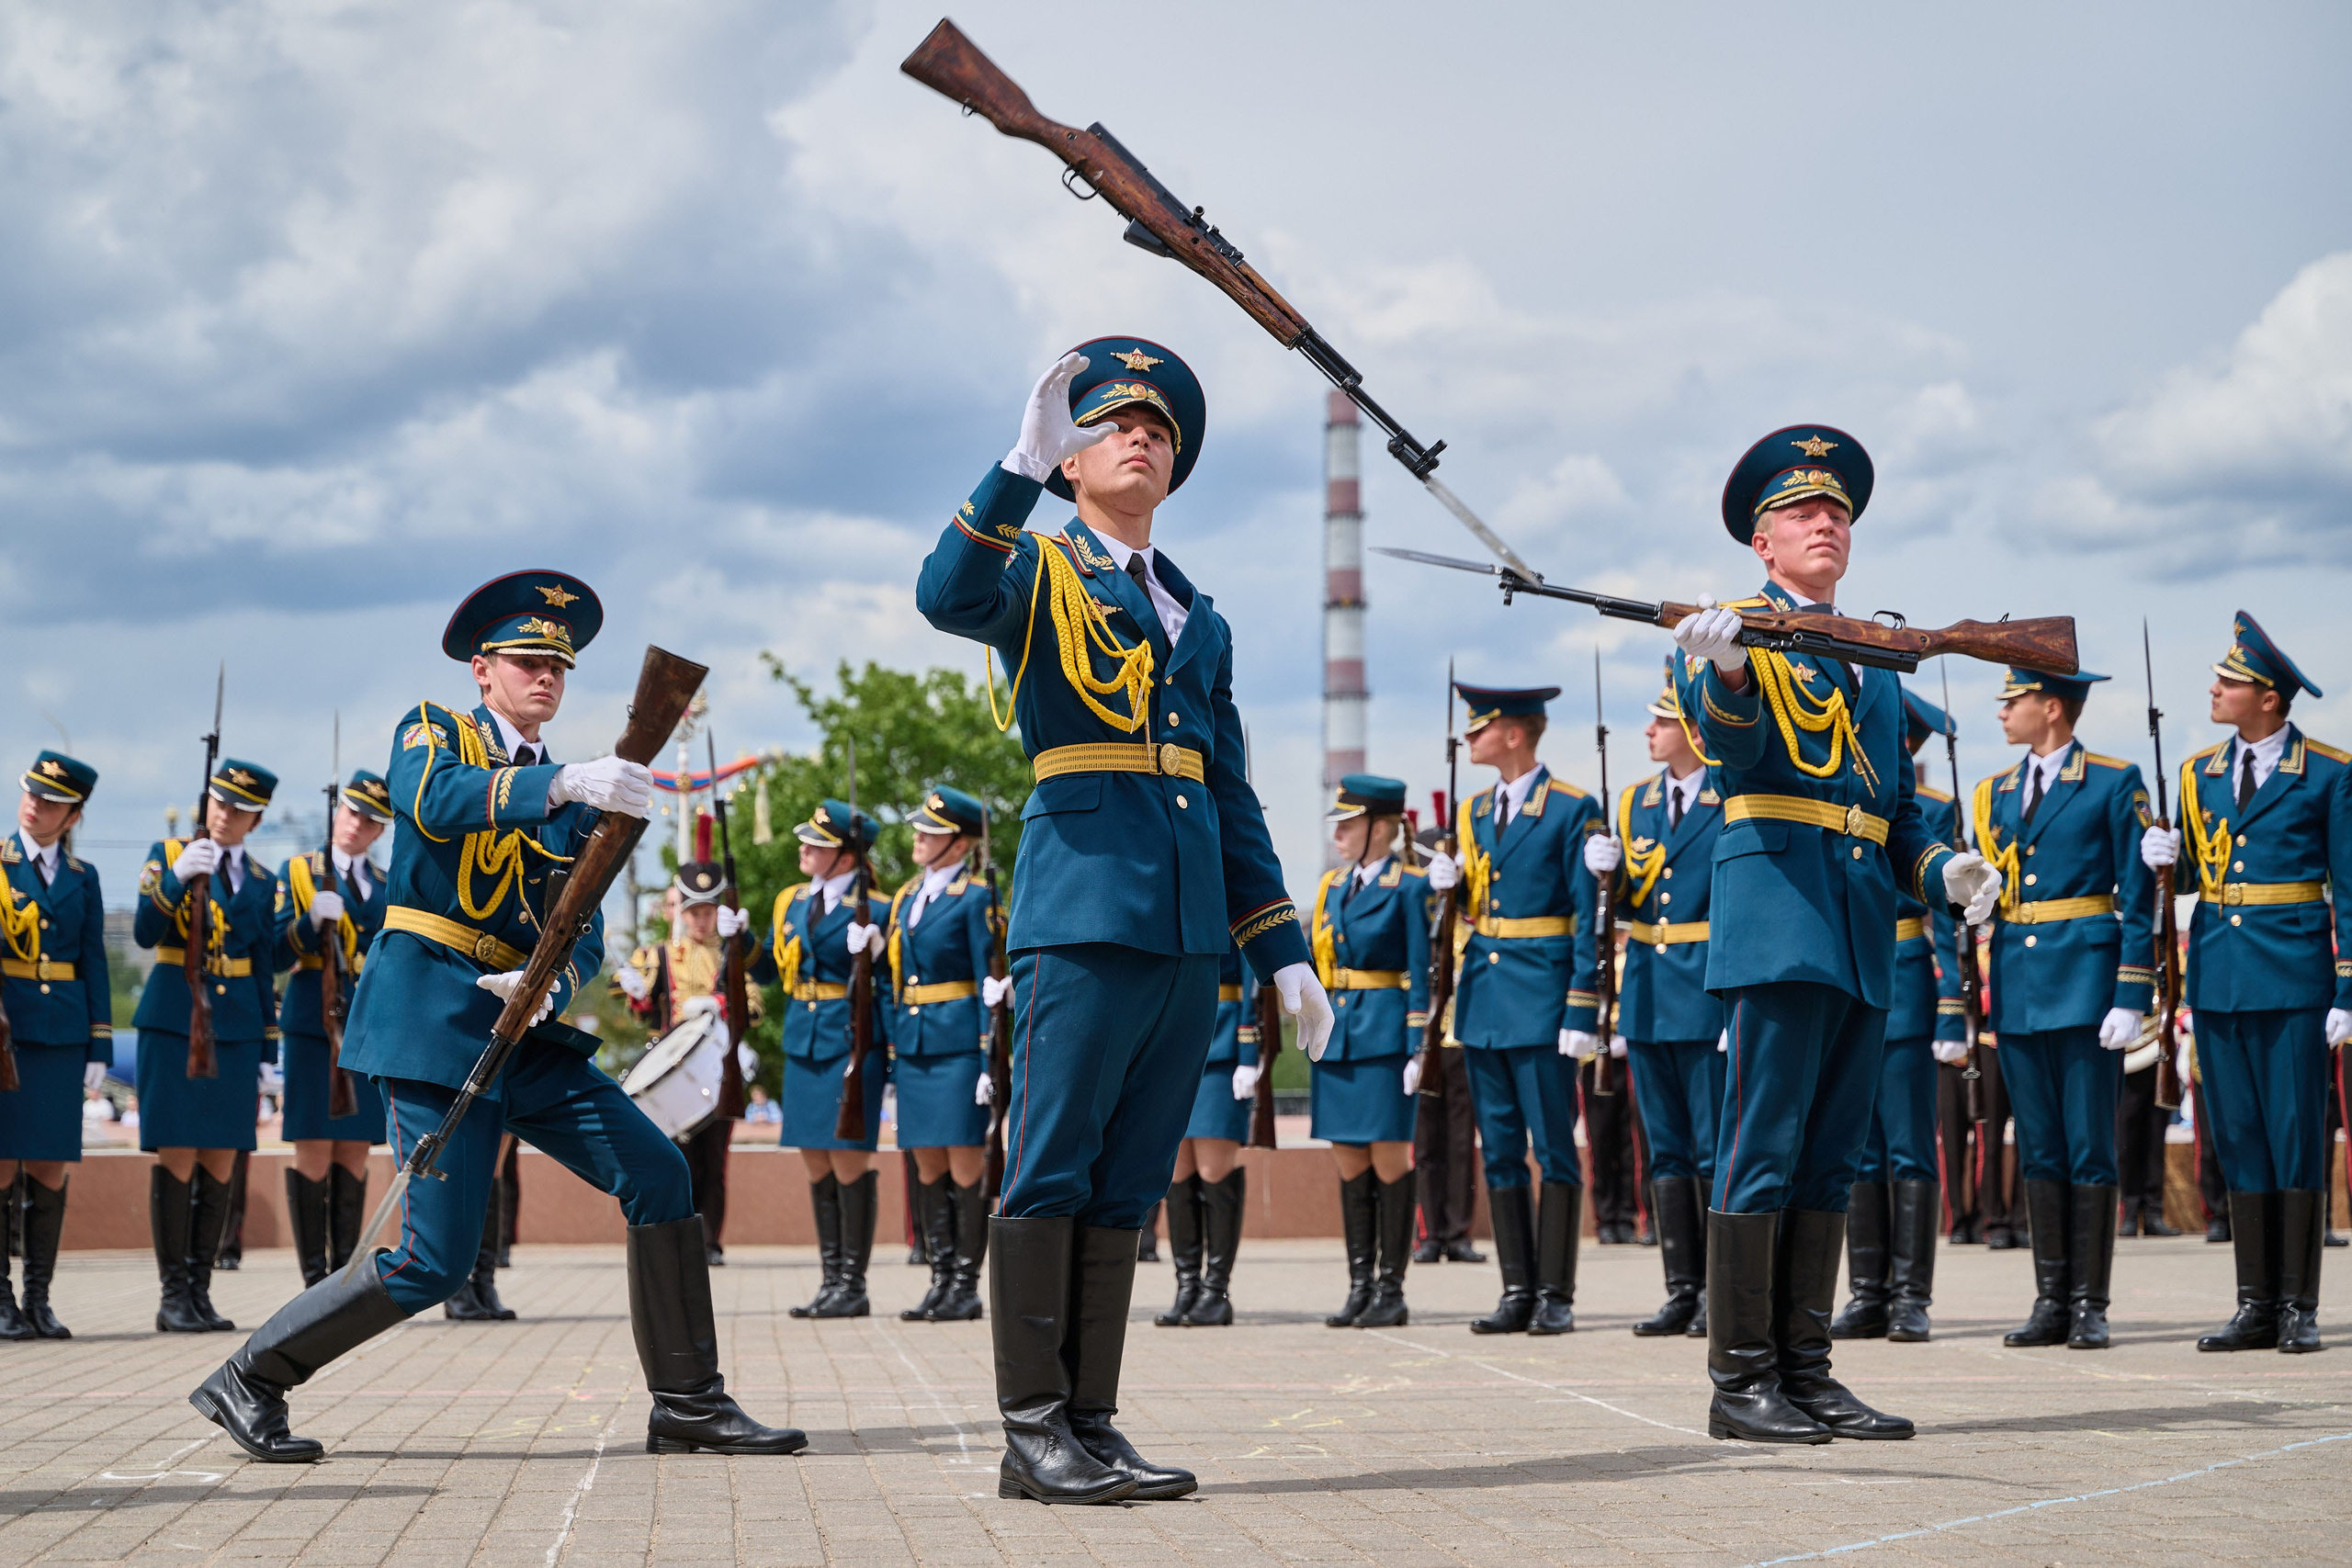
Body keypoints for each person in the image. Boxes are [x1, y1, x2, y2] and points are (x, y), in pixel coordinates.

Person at [188, 570, 800, 1463]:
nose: (545, 678)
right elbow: (432, 804)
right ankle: (250, 1376)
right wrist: (560, 786)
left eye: (558, 667)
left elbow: (577, 918)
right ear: (483, 670)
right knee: (432, 1261)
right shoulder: (435, 731)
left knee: (658, 1174)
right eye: (525, 662)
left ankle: (688, 1402)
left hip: (523, 1031)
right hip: (433, 1022)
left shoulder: (563, 784)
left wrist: (553, 980)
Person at [916, 343, 1329, 1505]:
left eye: (1156, 425)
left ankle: (1088, 1423)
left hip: (1190, 925)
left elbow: (1230, 791)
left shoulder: (1201, 617)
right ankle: (1029, 1429)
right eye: (1107, 424)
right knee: (1049, 1167)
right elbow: (946, 596)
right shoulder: (1038, 572)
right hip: (1085, 907)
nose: (1138, 434)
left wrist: (1279, 944)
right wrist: (1014, 463)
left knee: (1127, 1181)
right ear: (1071, 458)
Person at [1670, 424, 2002, 1443]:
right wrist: (1726, 673)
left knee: (1830, 1159)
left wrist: (1938, 866)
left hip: (1861, 924)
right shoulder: (1730, 633)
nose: (1825, 523)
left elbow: (1892, 809)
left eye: (1837, 514)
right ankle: (1739, 1383)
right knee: (1760, 1144)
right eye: (1801, 513)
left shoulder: (1875, 658)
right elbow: (1732, 752)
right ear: (1761, 545)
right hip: (1777, 916)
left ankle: (1806, 1371)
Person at [2143, 612, 2350, 1354]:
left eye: (2228, 681)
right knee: (2238, 1139)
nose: (2215, 688)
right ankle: (2254, 1302)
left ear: (2268, 697)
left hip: (2295, 979)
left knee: (2296, 1138)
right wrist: (2164, 856)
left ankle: (2299, 1304)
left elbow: (2349, 889)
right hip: (2221, 980)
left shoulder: (2328, 772)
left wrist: (2348, 989)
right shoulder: (2199, 773)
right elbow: (2199, 874)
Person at [1971, 665, 2155, 1351]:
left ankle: (2090, 1302)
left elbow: (2139, 898)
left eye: (2012, 701)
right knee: (2040, 1148)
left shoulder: (2112, 780)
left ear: (2051, 708)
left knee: (2089, 1149)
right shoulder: (1994, 790)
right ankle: (2051, 1296)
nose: (2002, 714)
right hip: (2018, 983)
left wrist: (2130, 992)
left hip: (2084, 983)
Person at [1421, 684, 1600, 1337]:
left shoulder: (1573, 808)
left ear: (1516, 734)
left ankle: (1556, 1291)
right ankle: (1517, 1287)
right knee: (1497, 1150)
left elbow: (1587, 916)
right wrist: (1447, 887)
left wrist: (1583, 1005)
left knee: (1553, 1147)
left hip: (1545, 997)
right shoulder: (1470, 813)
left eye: (1481, 730)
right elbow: (1468, 909)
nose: (1469, 740)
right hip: (1486, 1003)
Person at [1586, 661, 1725, 1339]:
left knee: (1709, 1148)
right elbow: (1634, 902)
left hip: (1704, 989)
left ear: (1694, 732)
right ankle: (1682, 1287)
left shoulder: (1728, 794)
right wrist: (1606, 877)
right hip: (1646, 989)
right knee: (1664, 1148)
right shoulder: (1636, 802)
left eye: (1663, 720)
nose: (1649, 729)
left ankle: (1718, 1292)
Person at [1832, 688, 1966, 1344]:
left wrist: (1950, 1008)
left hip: (1909, 982)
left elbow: (1948, 920)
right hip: (1853, 978)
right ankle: (1868, 1291)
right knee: (1859, 1150)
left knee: (1911, 1148)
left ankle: (1912, 1294)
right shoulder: (1845, 803)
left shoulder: (1932, 810)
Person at [134, 758, 281, 1336]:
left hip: (236, 1026)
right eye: (219, 803)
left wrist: (268, 1049)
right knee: (176, 1152)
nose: (225, 815)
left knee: (221, 1156)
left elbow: (265, 963)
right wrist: (175, 880)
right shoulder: (167, 853)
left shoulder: (265, 881)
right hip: (175, 1016)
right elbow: (147, 931)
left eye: (239, 809)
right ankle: (172, 1295)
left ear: (256, 820)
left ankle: (200, 1291)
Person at [749, 799, 889, 1319]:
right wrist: (739, 939)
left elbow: (889, 988)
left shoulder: (876, 907)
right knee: (814, 1157)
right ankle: (831, 1279)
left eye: (819, 844)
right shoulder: (790, 900)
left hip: (848, 1040)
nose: (805, 848)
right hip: (803, 1040)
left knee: (848, 1159)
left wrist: (870, 955)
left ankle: (854, 1283)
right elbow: (765, 969)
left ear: (847, 856)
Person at [1309, 775, 1430, 1330]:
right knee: (1349, 1159)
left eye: (1349, 824)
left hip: (1384, 1032)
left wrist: (1416, 1045)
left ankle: (1392, 1288)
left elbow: (1420, 971)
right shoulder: (1332, 886)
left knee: (1387, 1159)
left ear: (1380, 828)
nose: (1339, 834)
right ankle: (1359, 1284)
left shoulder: (1409, 886)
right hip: (1338, 1032)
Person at [0, 751, 112, 1340]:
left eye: (50, 799)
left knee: (48, 1163)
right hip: (6, 1032)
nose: (35, 803)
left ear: (72, 815)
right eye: (31, 792)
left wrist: (99, 1045)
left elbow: (93, 959)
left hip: (63, 1032)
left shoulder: (82, 877)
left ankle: (38, 1299)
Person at [271, 773, 394, 1292]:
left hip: (366, 1025)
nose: (356, 825)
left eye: (369, 820)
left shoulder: (387, 885)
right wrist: (306, 925)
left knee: (356, 1149)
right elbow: (274, 953)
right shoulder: (300, 872)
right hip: (312, 1026)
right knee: (314, 1147)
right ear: (337, 812)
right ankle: (312, 1278)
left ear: (379, 831)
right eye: (351, 813)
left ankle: (343, 1272)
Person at [616, 837, 760, 1269]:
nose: (701, 920)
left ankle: (710, 1241)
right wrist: (636, 992)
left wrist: (721, 1005)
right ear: (681, 913)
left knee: (713, 1162)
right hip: (671, 1071)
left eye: (707, 912)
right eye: (694, 912)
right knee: (675, 1160)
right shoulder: (660, 954)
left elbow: (753, 1005)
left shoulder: (731, 954)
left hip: (717, 1070)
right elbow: (636, 1001)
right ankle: (677, 1237)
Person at [885, 785, 997, 1324]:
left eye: (930, 832)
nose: (919, 838)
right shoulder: (906, 898)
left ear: (959, 844)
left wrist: (986, 1057)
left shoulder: (976, 897)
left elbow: (986, 982)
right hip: (915, 1046)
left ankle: (966, 1284)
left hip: (956, 1046)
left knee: (963, 1161)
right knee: (926, 1161)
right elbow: (892, 982)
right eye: (920, 829)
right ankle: (939, 1277)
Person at [1158, 943, 1253, 1328]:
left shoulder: (1233, 893)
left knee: (1214, 1168)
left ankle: (1216, 1291)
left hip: (1222, 1038)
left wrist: (1249, 1055)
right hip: (1170, 1039)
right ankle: (1187, 1286)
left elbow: (1253, 980)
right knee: (1177, 1169)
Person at [1410, 819, 1483, 1266]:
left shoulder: (1470, 927)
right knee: (1425, 1142)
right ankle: (1429, 1233)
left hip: (1464, 1041)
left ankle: (1458, 1232)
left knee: (1460, 1143)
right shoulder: (1418, 924)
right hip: (1425, 1042)